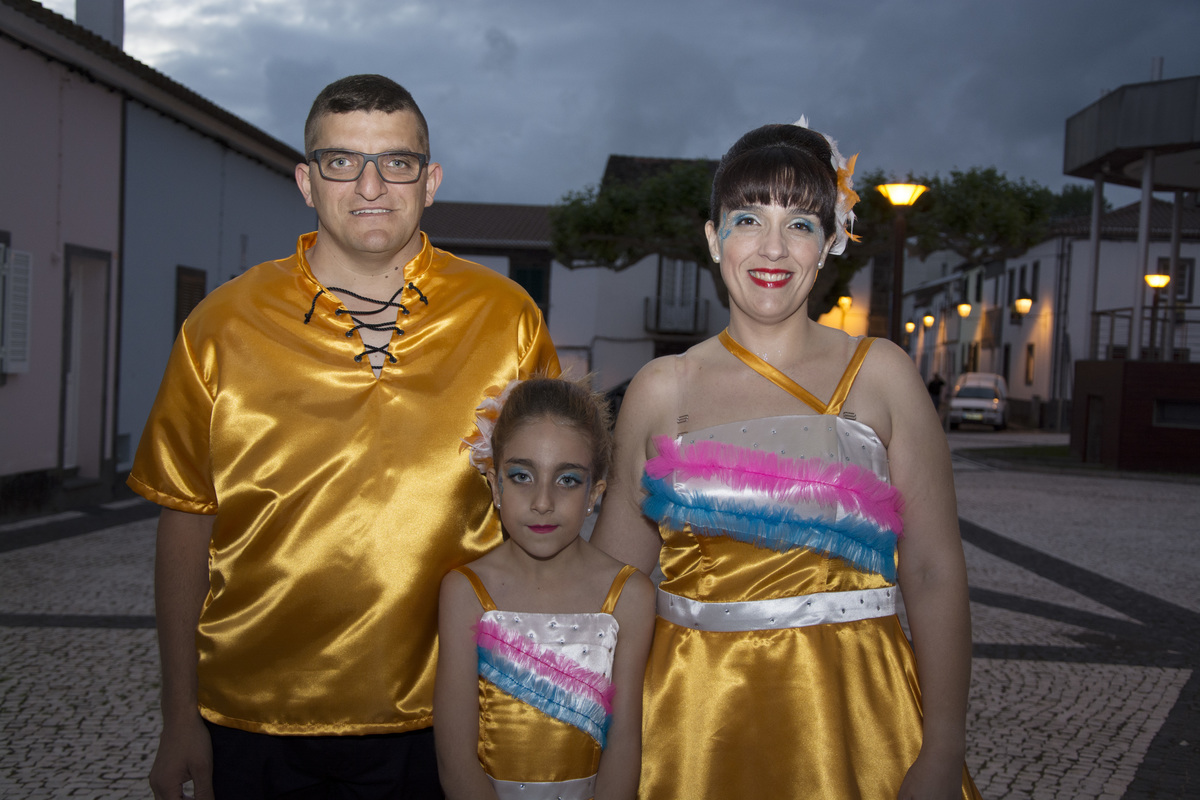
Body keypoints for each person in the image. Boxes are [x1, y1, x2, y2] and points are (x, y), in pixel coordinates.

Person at [131, 74, 559, 799]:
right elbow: (185, 525)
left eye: (397, 161)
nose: (370, 185)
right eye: (341, 161)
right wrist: (179, 717)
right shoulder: (220, 326)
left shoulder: (508, 319)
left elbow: (550, 512)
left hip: (456, 716)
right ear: (306, 181)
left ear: (430, 182)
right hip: (254, 719)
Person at [591, 121, 981, 799]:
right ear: (713, 239)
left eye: (800, 224)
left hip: (860, 719)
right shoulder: (660, 390)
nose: (773, 248)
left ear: (829, 244)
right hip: (692, 723)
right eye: (748, 219)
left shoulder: (882, 374)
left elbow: (932, 570)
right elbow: (613, 587)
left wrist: (944, 748)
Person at [435, 377, 655, 800]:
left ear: (594, 493)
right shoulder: (465, 592)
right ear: (496, 485)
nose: (542, 502)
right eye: (522, 476)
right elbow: (455, 761)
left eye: (567, 480)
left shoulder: (630, 595)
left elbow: (625, 745)